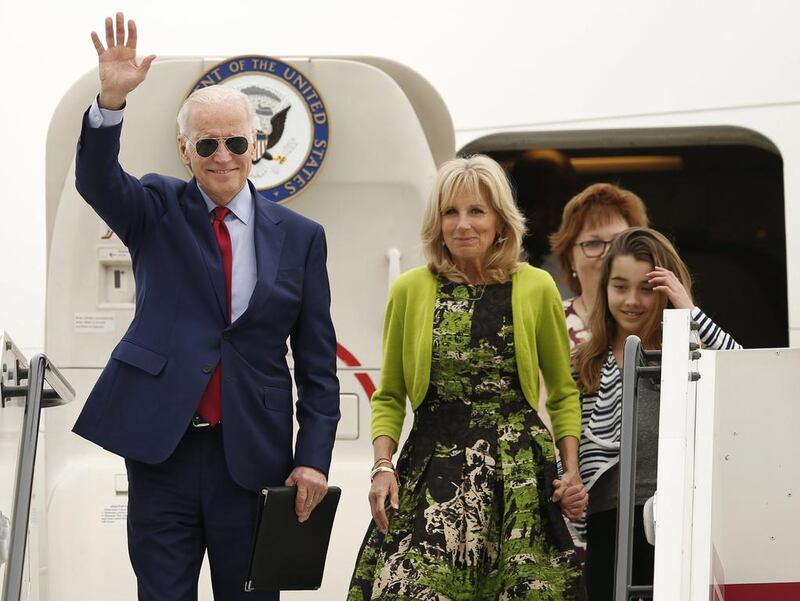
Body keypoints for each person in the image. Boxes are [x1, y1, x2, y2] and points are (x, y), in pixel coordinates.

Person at [71, 14, 339, 601]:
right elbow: (96, 178)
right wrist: (110, 102)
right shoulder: (155, 207)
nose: (223, 156)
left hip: (252, 457)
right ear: (184, 148)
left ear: (257, 146)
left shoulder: (301, 237)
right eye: (208, 143)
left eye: (236, 142)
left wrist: (312, 458)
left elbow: (318, 366)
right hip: (162, 450)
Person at [348, 155, 587, 600]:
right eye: (450, 212)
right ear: (436, 222)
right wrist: (383, 467)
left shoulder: (536, 287)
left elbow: (562, 391)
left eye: (476, 211)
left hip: (518, 472)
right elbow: (390, 394)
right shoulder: (410, 289)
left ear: (500, 220)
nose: (463, 224)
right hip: (431, 466)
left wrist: (569, 471)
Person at [572, 227, 739, 600]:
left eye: (647, 288)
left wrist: (689, 311)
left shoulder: (688, 354)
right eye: (619, 286)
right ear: (603, 290)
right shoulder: (585, 362)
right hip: (605, 522)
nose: (632, 300)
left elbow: (739, 371)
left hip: (678, 520)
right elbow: (569, 436)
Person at [549, 183, 649, 349]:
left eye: (619, 241)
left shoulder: (656, 321)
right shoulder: (550, 323)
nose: (608, 254)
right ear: (570, 258)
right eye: (593, 243)